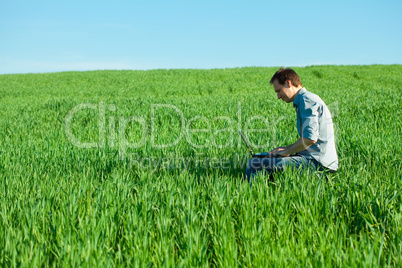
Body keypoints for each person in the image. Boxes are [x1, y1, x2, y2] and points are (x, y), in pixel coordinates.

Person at [245, 68, 338, 181]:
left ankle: (254, 195)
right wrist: (284, 150)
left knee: (254, 164)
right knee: (271, 163)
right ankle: (270, 193)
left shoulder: (307, 100)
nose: (278, 96)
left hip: (317, 162)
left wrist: (286, 151)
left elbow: (310, 139)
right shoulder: (305, 100)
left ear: (288, 83)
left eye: (279, 91)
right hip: (313, 158)